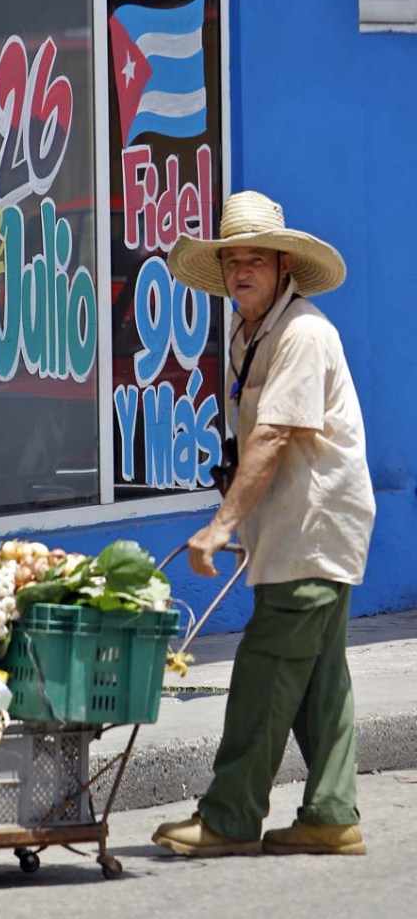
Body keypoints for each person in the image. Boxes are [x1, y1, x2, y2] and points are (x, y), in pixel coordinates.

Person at [152, 190, 376, 857]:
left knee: (263, 670)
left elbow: (275, 436)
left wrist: (221, 525)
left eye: (256, 259)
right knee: (318, 679)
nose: (242, 270)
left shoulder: (303, 333)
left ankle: (229, 816)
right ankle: (332, 815)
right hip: (292, 531)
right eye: (232, 260)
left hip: (313, 531)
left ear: (284, 266)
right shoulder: (250, 333)